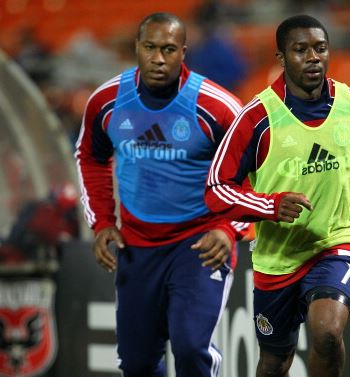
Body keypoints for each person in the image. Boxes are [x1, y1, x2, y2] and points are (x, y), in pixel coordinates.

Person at [205, 14, 350, 377]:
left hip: (337, 241)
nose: (313, 57)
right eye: (300, 50)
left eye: (320, 48)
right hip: (277, 258)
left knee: (327, 334)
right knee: (275, 361)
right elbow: (217, 188)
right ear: (282, 58)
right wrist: (269, 205)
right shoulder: (257, 118)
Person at [74, 13, 248, 377]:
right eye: (150, 48)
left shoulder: (217, 107)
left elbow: (255, 171)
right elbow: (90, 157)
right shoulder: (106, 101)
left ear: (183, 53)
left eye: (168, 49)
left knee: (190, 347)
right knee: (137, 363)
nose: (158, 58)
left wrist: (229, 228)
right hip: (136, 248)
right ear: (136, 49)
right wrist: (103, 222)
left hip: (200, 244)